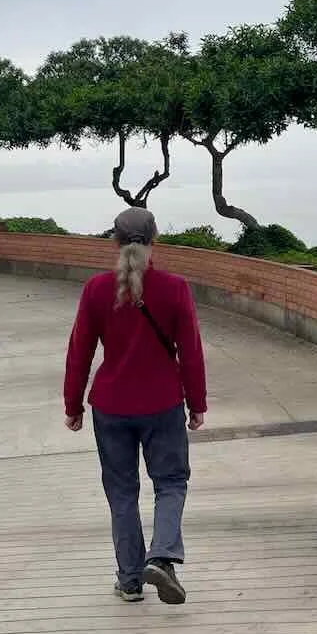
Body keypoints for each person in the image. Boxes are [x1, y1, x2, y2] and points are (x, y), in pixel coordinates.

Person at [64, 206, 207, 603]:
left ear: (113, 240)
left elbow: (79, 352)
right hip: (162, 404)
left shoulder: (95, 289)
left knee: (122, 493)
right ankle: (161, 559)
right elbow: (191, 353)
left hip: (110, 407)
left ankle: (129, 580)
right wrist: (197, 403)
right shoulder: (175, 287)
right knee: (171, 483)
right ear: (155, 239)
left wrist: (72, 404)